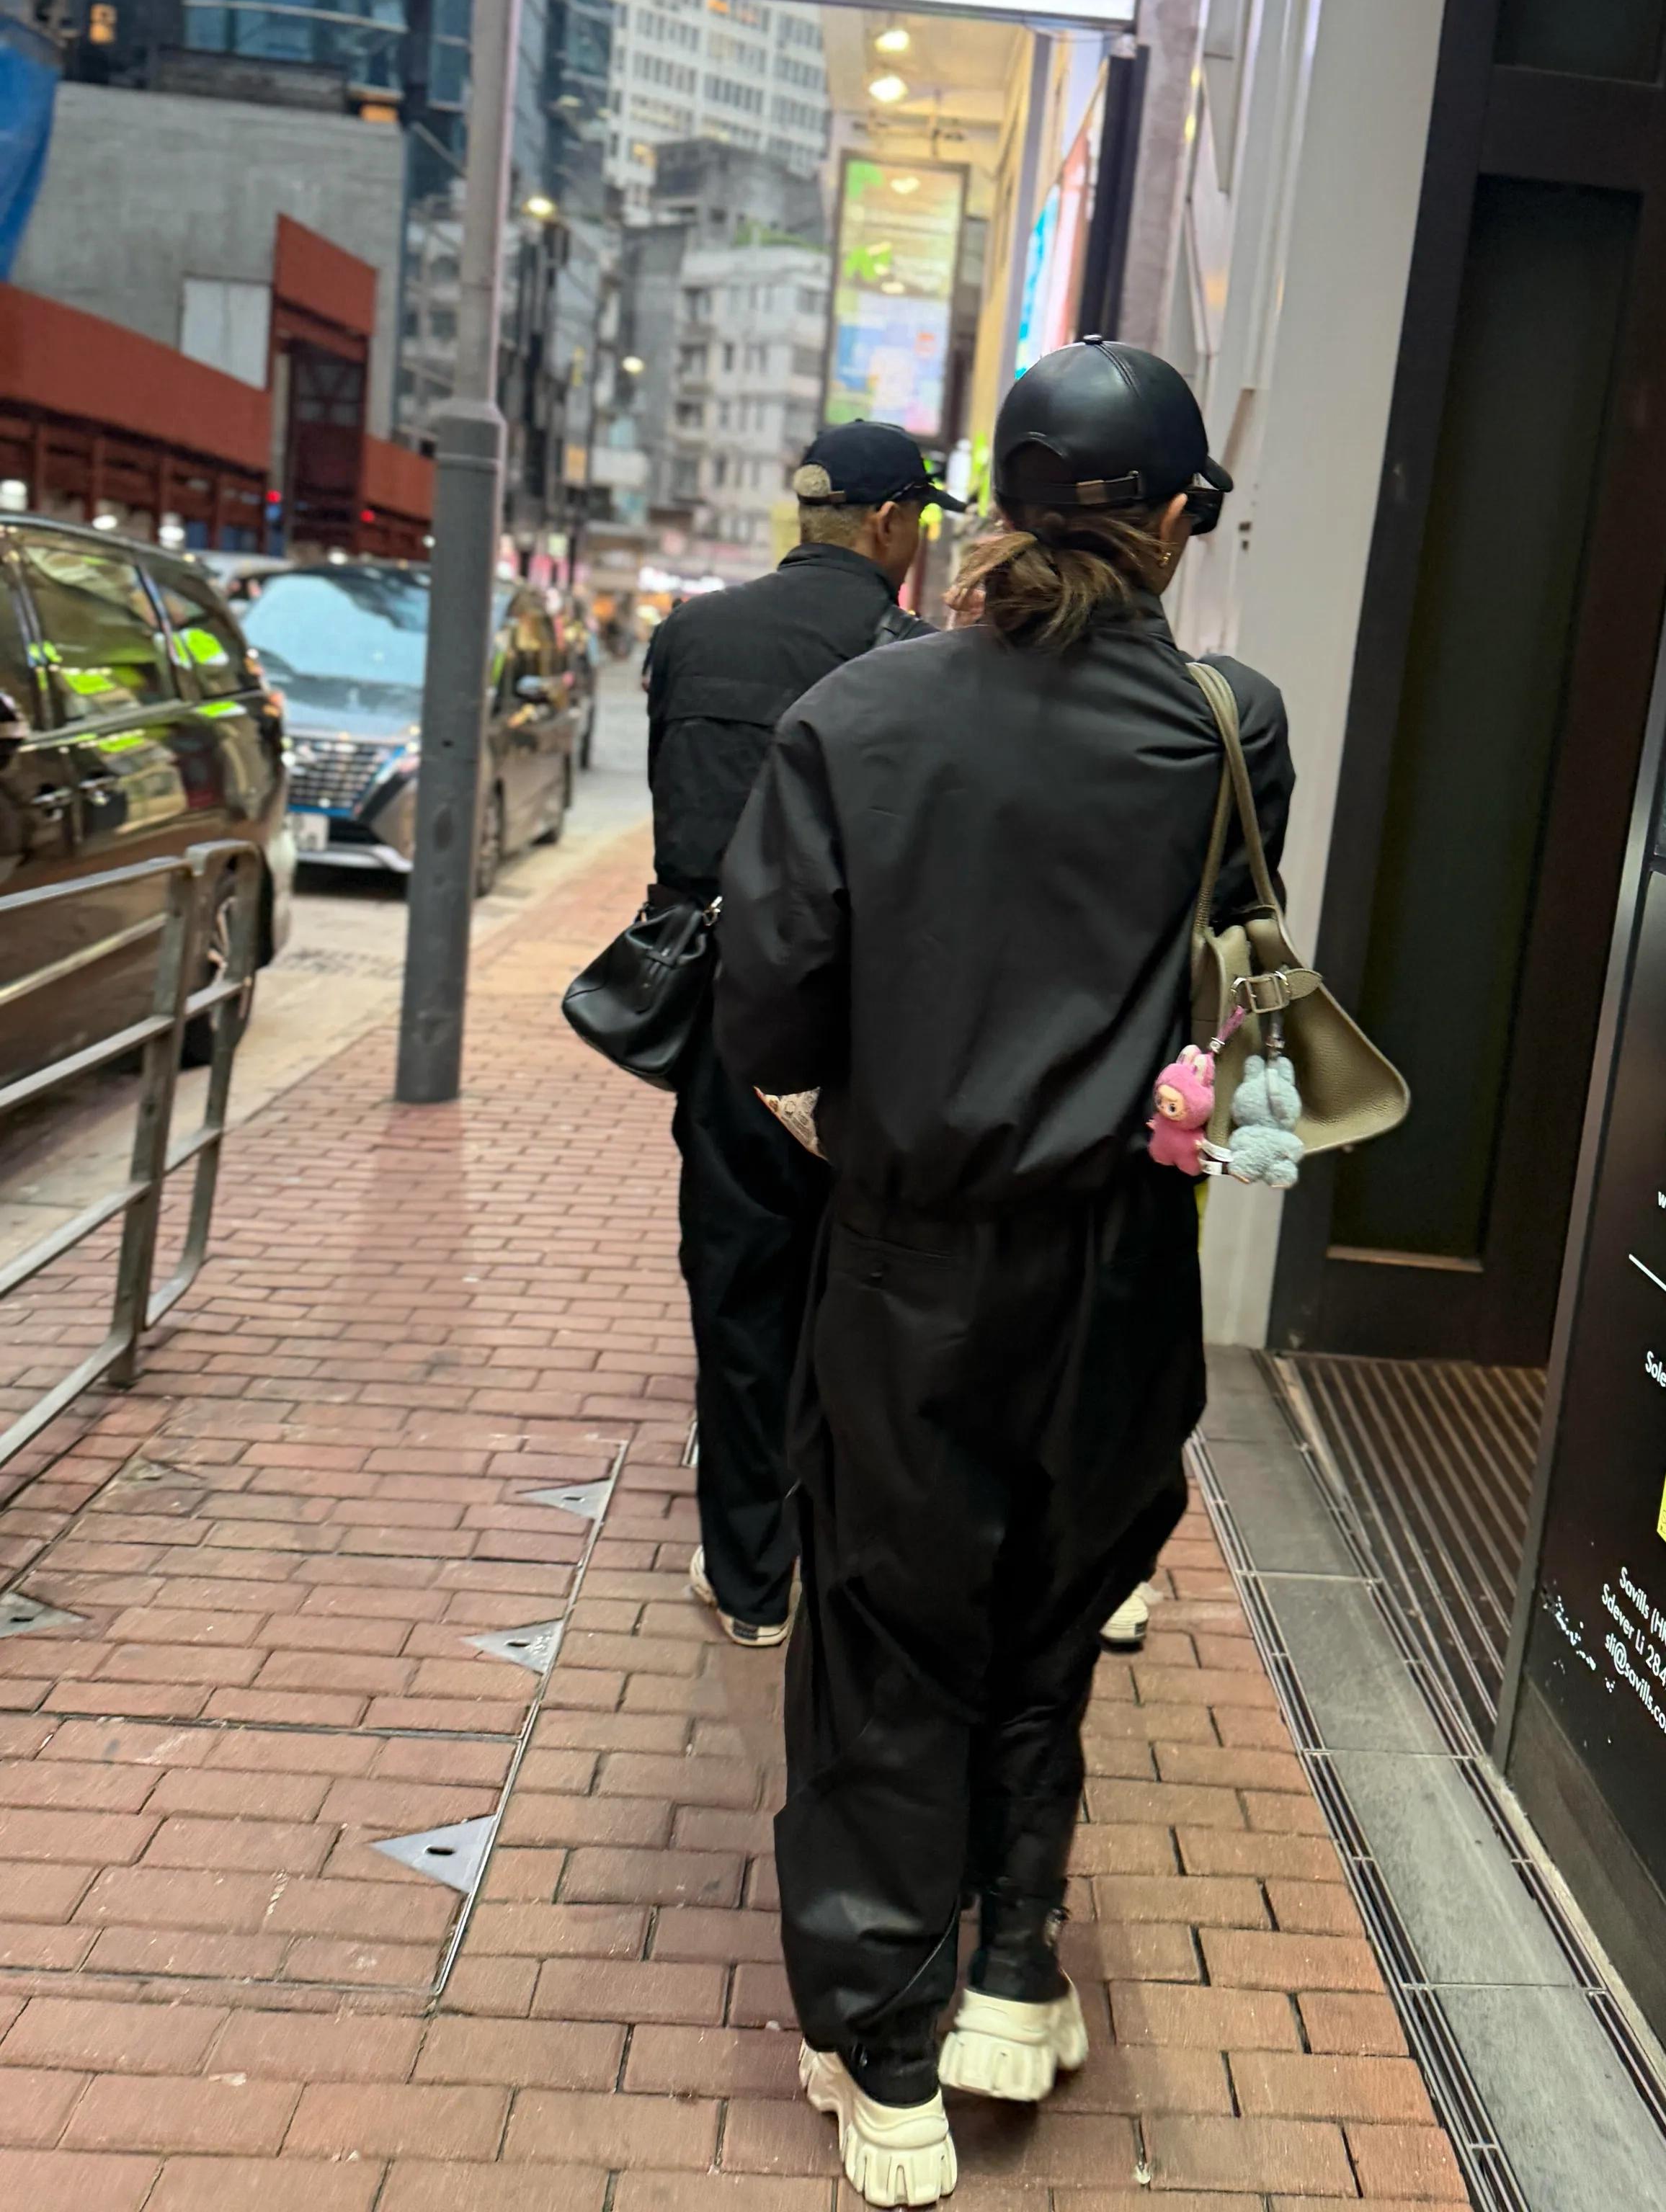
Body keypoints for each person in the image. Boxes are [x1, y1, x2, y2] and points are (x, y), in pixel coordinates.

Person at [714, 339, 1294, 2207]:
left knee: (888, 1640)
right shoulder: (1228, 725)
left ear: (994, 507)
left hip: (911, 1259)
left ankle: (888, 2067)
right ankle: (1016, 1969)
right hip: (1121, 1265)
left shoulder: (860, 718)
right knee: (1056, 1615)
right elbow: (1228, 989)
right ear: (1180, 517)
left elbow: (768, 1016)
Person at [647, 421, 963, 1646]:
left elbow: (681, 826)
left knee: (738, 1287)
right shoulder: (921, 662)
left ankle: (746, 1578)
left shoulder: (690, 635)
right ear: (891, 522)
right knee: (863, 1290)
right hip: (868, 1034)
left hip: (726, 1016)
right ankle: (843, 1549)